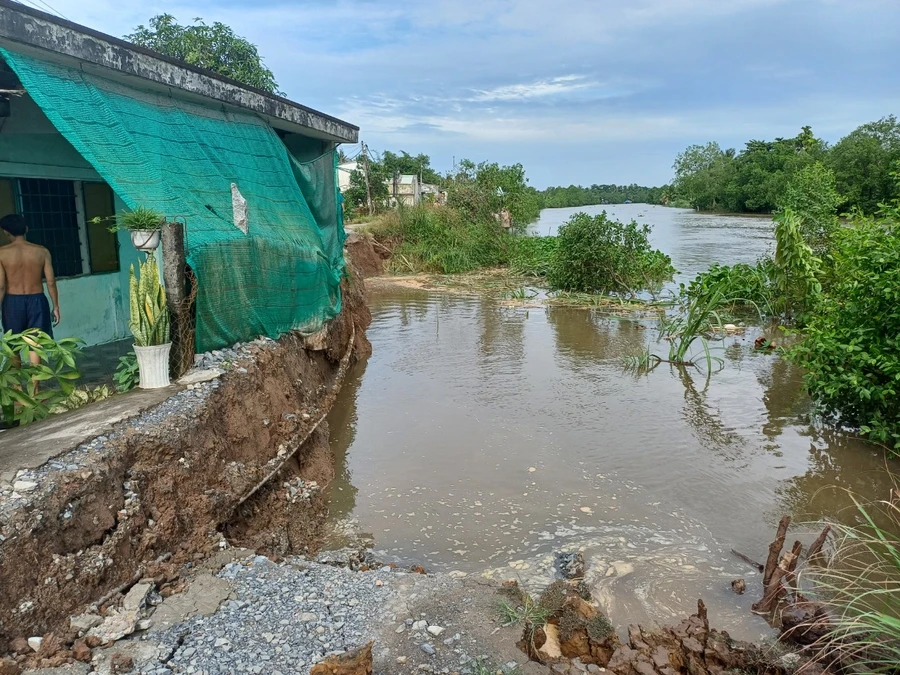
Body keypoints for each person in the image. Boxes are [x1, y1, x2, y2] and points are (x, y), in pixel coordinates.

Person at [0, 214, 60, 365]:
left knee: (13, 345)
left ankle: (17, 386)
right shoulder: (42, 251)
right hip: (37, 300)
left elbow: (1, 286)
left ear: (6, 232)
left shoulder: (2, 253)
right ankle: (36, 388)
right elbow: (51, 282)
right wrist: (56, 306)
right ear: (26, 229)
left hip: (12, 302)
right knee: (35, 344)